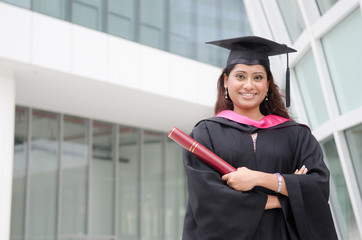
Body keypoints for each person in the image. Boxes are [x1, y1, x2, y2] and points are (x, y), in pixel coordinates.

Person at [182, 36, 338, 240]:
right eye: (240, 76)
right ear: (226, 81)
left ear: (267, 84)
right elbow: (208, 201)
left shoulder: (296, 135)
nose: (249, 85)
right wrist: (285, 194)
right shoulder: (206, 135)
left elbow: (317, 187)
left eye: (257, 77)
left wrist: (260, 179)